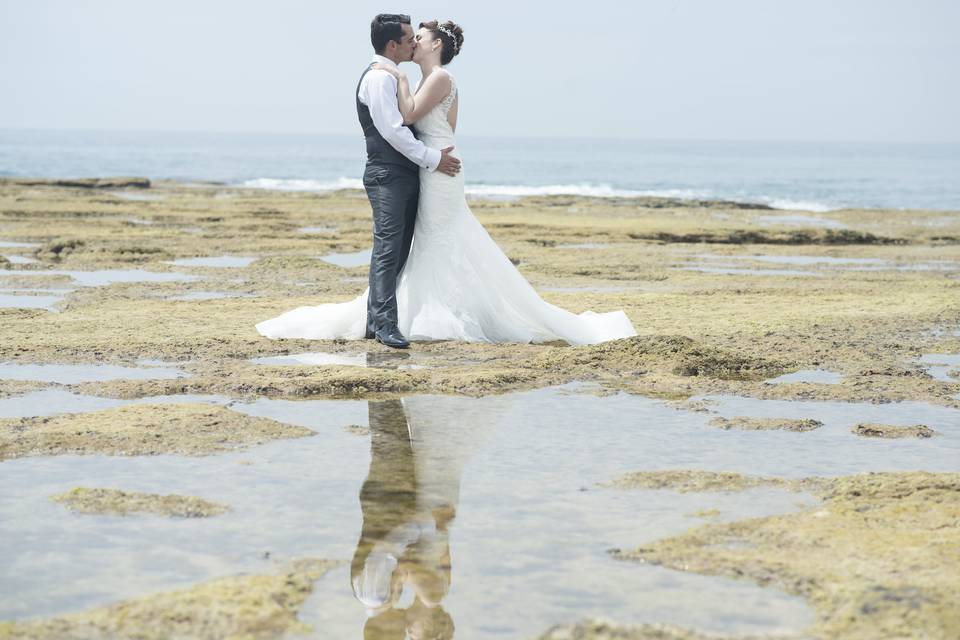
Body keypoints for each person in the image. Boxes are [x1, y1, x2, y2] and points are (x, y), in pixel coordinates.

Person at [256, 18, 637, 347]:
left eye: (420, 37)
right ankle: (412, 314)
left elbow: (407, 115)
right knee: (429, 243)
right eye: (411, 37)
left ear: (436, 44)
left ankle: (438, 315)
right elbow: (424, 125)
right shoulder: (427, 79)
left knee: (440, 240)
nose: (414, 42)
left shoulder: (437, 78)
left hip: (438, 169)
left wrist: (400, 78)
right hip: (431, 165)